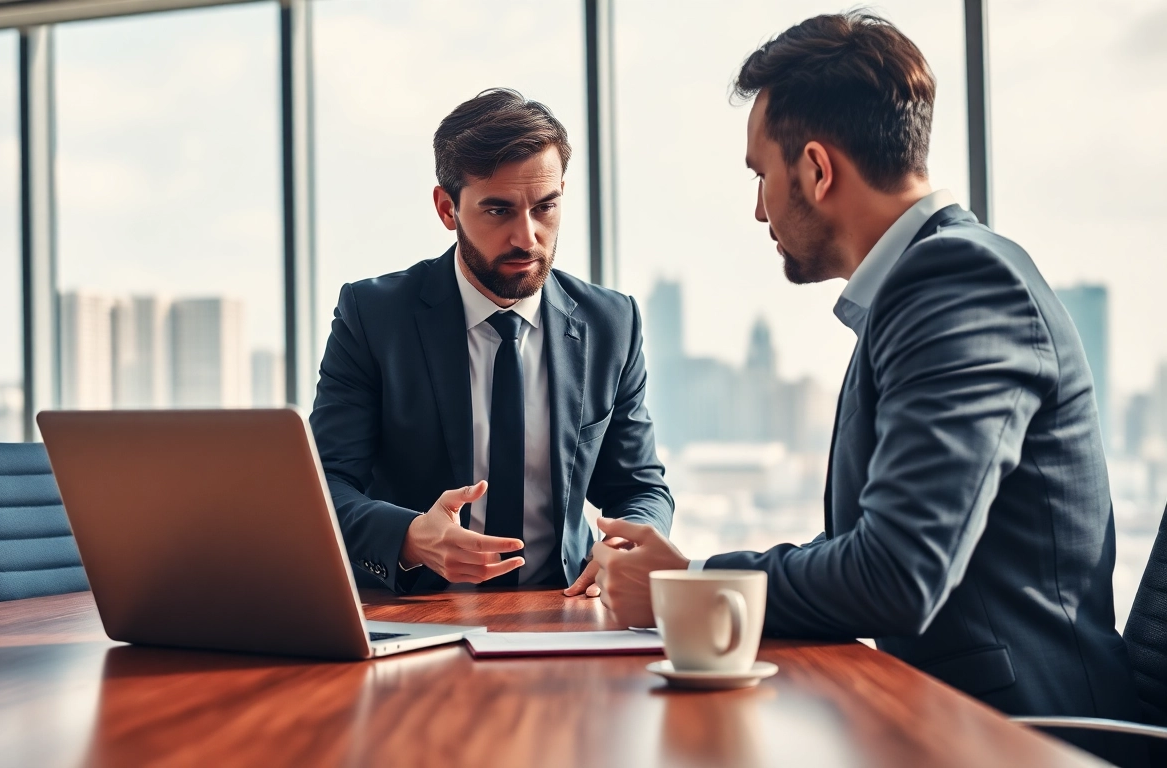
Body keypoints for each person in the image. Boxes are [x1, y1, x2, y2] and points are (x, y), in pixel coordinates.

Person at [586, 12, 1145, 764]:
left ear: (816, 169)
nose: (758, 209)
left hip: (1023, 740)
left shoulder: (957, 283)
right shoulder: (921, 286)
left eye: (762, 174)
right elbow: (873, 547)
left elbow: (895, 572)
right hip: (937, 719)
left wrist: (688, 585)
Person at [310, 88, 673, 593]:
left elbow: (639, 488)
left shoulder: (612, 323)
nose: (527, 237)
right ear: (446, 208)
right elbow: (324, 486)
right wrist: (411, 538)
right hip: (417, 617)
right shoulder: (373, 317)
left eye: (545, 207)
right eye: (499, 211)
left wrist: (627, 545)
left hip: (564, 610)